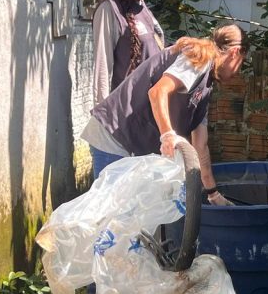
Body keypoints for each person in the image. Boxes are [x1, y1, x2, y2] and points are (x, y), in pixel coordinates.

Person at [81, 24, 248, 205]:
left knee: (128, 218)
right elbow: (158, 92)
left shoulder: (206, 87)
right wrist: (168, 135)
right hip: (114, 134)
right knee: (109, 215)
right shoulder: (198, 58)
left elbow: (200, 145)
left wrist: (213, 193)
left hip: (132, 141)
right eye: (242, 62)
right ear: (235, 52)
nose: (237, 73)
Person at [91, 0, 166, 108]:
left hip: (149, 109)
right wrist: (103, 112)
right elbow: (102, 66)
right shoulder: (110, 8)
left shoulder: (142, 7)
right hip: (124, 112)